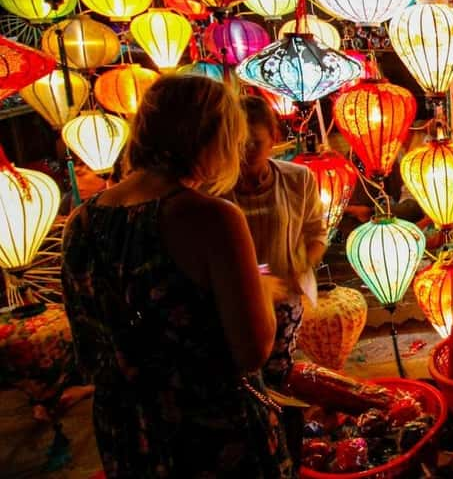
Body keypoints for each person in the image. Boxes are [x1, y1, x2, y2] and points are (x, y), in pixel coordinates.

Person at [60, 75, 293, 478]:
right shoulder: (211, 217)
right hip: (210, 434)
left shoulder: (81, 220)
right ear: (214, 137)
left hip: (129, 430)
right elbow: (251, 350)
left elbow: (88, 347)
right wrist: (263, 290)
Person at [226, 95, 327, 387]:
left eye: (254, 142)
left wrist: (302, 263)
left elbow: (316, 233)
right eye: (238, 143)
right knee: (243, 381)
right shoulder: (215, 190)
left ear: (273, 138)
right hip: (237, 302)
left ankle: (283, 428)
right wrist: (255, 281)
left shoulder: (298, 179)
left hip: (285, 297)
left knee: (279, 377)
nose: (245, 151)